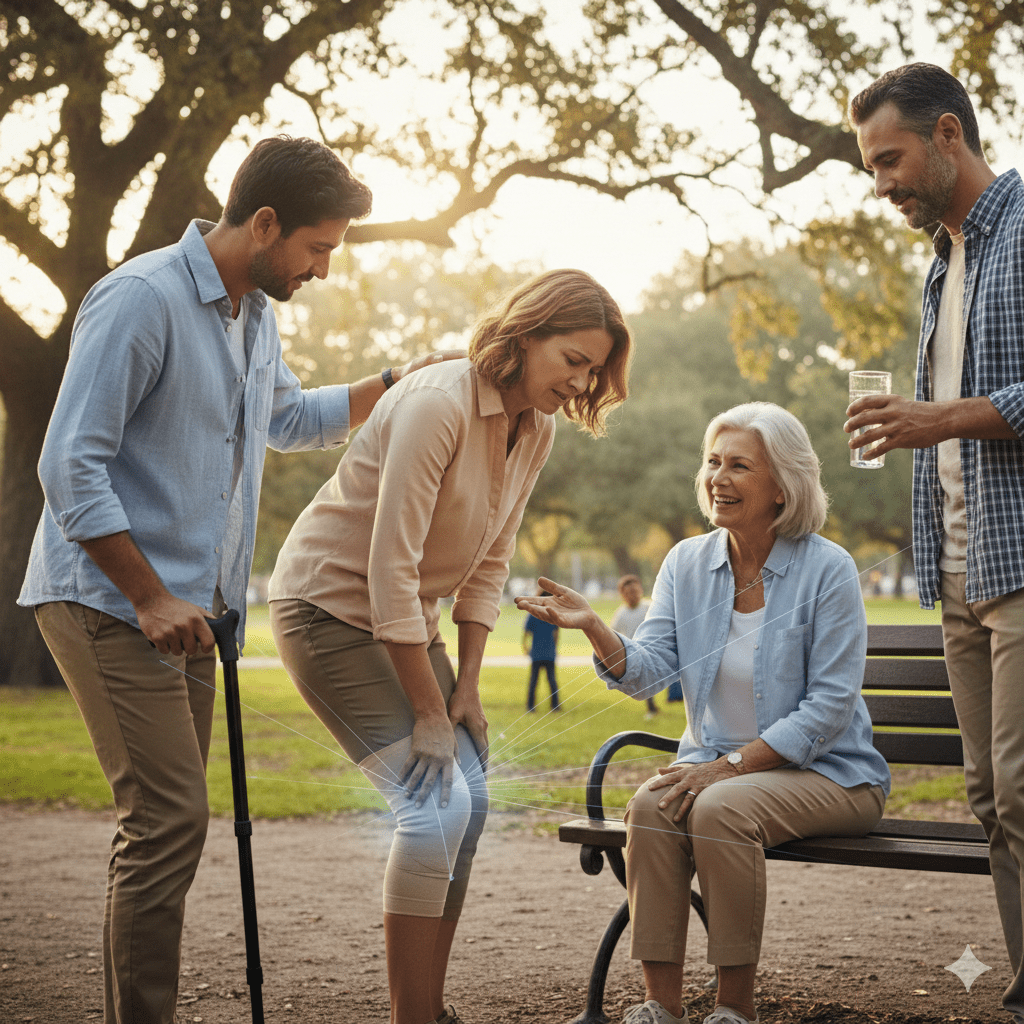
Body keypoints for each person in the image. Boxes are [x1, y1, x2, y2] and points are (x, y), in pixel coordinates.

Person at [17, 135, 459, 1024]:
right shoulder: (140, 301)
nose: (325, 268)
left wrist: (392, 383)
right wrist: (147, 595)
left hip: (190, 616)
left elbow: (288, 419)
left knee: (169, 829)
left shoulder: (255, 314)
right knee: (167, 823)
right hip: (109, 601)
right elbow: (69, 466)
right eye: (318, 247)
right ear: (265, 223)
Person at [267, 269, 632, 1024]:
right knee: (434, 807)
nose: (582, 380)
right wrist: (429, 712)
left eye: (594, 369)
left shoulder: (537, 428)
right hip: (325, 611)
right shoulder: (438, 403)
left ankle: (427, 1008)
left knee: (472, 798)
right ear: (526, 335)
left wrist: (464, 689)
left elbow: (489, 564)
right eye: (572, 359)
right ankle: (413, 1017)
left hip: (401, 621)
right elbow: (387, 569)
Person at [516, 402, 890, 1024]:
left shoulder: (830, 569)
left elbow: (828, 710)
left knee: (717, 805)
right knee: (649, 806)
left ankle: (732, 1010)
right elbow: (650, 670)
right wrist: (594, 629)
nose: (718, 476)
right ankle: (659, 1006)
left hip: (834, 776)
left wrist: (728, 767)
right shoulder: (688, 563)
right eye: (713, 462)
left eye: (739, 465)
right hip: (719, 772)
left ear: (783, 486)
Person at [848, 63, 1024, 1024]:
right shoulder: (943, 263)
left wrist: (940, 417)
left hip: (1023, 558)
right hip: (958, 568)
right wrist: (919, 427)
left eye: (890, 159)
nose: (880, 185)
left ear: (947, 133)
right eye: (871, 168)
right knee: (990, 797)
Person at [610, 574, 658, 717]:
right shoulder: (621, 614)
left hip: (654, 648)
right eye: (629, 593)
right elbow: (614, 633)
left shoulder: (649, 607)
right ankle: (651, 707)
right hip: (635, 652)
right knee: (645, 679)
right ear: (622, 595)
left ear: (641, 590)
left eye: (635, 591)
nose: (633, 595)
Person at [523, 588, 561, 712]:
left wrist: (525, 647)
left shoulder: (533, 614)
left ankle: (530, 706)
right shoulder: (552, 614)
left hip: (536, 653)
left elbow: (526, 633)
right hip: (549, 652)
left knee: (534, 681)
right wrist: (555, 647)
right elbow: (556, 633)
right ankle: (555, 706)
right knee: (552, 681)